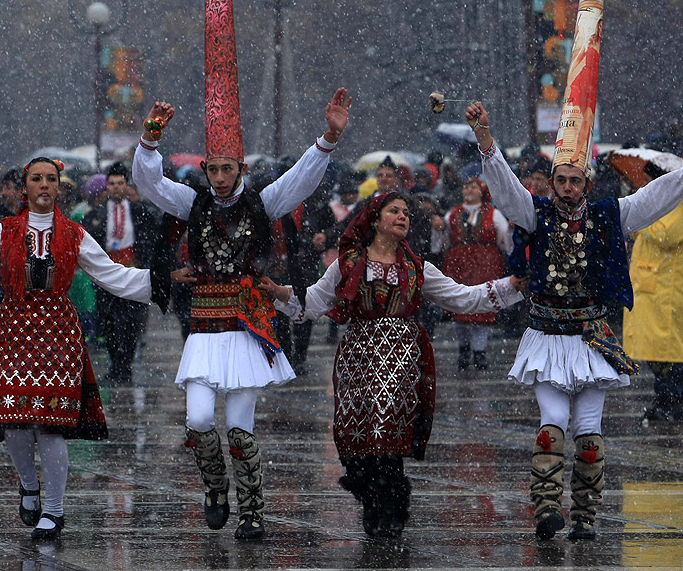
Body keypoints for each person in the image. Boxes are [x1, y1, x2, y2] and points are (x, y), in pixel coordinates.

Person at [132, 88, 352, 541]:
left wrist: (328, 137)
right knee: (197, 420)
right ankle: (216, 488)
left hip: (246, 324)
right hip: (205, 325)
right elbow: (150, 185)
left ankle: (252, 509)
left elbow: (300, 181)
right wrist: (150, 139)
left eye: (226, 168)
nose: (218, 176)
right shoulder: (193, 203)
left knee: (240, 429)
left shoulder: (260, 203)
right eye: (211, 169)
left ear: (241, 170)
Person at [0, 157, 165, 541]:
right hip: (14, 327)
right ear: (25, 188)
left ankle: (55, 509)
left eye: (51, 179)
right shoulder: (5, 231)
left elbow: (113, 275)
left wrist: (162, 282)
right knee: (13, 420)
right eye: (36, 179)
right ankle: (29, 484)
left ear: (59, 187)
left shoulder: (75, 232)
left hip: (59, 333)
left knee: (50, 425)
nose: (44, 185)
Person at [466, 101, 683, 541]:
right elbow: (506, 191)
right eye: (560, 180)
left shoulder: (608, 215)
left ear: (586, 183)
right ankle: (547, 507)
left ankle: (585, 515)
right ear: (552, 183)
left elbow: (655, 197)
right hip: (547, 336)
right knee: (551, 427)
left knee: (589, 434)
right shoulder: (537, 215)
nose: (567, 187)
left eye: (574, 180)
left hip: (591, 339)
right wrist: (485, 140)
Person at [259, 192, 524, 538]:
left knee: (387, 431)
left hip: (401, 357)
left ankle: (391, 507)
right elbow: (313, 304)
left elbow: (463, 296)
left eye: (405, 213)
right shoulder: (347, 264)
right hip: (358, 357)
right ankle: (372, 499)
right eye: (393, 211)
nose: (402, 217)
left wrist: (510, 286)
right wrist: (282, 294)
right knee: (360, 434)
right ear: (375, 219)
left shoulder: (416, 267)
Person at [82, 162, 160, 385]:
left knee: (131, 322)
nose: (116, 187)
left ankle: (125, 367)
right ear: (106, 187)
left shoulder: (140, 212)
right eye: (112, 183)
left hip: (132, 274)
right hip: (106, 276)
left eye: (120, 183)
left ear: (127, 186)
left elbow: (151, 240)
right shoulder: (96, 214)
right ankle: (115, 365)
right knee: (108, 323)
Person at [623, 161, 683, 422]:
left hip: (668, 290)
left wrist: (640, 221)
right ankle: (664, 399)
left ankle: (674, 402)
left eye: (649, 180)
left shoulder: (677, 201)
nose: (644, 185)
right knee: (656, 355)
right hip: (651, 290)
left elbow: (667, 233)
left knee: (671, 353)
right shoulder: (652, 202)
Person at [433, 177, 512, 370]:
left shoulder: (493, 214)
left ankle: (479, 351)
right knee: (461, 307)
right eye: (466, 187)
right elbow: (440, 244)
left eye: (473, 187)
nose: (468, 190)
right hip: (458, 265)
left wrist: (510, 231)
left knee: (482, 307)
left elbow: (505, 243)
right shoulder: (452, 213)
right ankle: (464, 349)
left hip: (485, 265)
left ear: (481, 191)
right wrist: (438, 229)